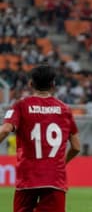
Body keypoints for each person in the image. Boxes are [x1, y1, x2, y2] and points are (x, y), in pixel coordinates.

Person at [0, 64, 80, 212]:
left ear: (31, 83)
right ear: (53, 84)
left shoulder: (20, 106)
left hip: (27, 179)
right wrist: (62, 163)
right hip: (55, 179)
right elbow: (76, 147)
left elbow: (4, 130)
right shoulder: (65, 109)